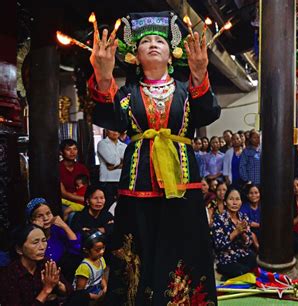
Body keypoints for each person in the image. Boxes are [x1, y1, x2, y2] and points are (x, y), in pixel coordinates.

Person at [87, 11, 219, 304]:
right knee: (138, 248)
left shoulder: (186, 90)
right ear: (135, 55)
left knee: (182, 245)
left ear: (172, 54)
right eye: (145, 41)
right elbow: (109, 118)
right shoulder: (127, 93)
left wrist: (200, 73)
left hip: (182, 183)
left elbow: (208, 112)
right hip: (138, 181)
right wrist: (103, 75)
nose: (153, 44)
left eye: (160, 39)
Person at [0, 224, 74, 306]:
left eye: (44, 240)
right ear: (19, 249)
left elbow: (70, 291)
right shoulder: (9, 274)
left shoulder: (46, 264)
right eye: (35, 242)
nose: (42, 247)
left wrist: (57, 284)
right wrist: (46, 290)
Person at [26, 198, 81, 278]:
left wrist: (64, 225)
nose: (46, 218)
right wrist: (37, 229)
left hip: (65, 273)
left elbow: (77, 247)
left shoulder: (56, 229)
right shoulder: (30, 237)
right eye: (40, 216)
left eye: (48, 213)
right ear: (32, 220)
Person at [211, 188, 258, 280]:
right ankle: (225, 277)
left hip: (241, 254)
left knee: (255, 261)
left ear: (241, 202)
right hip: (225, 258)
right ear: (225, 202)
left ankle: (230, 277)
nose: (234, 202)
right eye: (231, 199)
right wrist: (235, 232)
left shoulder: (243, 217)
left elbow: (248, 243)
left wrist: (243, 235)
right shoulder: (219, 219)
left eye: (237, 199)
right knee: (243, 271)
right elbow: (218, 245)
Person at [73, 229, 108, 302]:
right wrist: (94, 297)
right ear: (86, 250)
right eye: (97, 250)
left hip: (97, 289)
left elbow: (102, 276)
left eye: (103, 248)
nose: (102, 252)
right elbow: (80, 292)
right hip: (87, 294)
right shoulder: (85, 267)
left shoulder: (101, 259)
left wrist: (105, 287)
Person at [97, 129, 127, 209]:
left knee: (122, 206)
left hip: (120, 180)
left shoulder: (124, 146)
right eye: (112, 130)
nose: (115, 132)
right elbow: (111, 161)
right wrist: (121, 162)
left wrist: (113, 166)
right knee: (108, 206)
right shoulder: (102, 144)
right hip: (107, 181)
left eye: (117, 130)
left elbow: (127, 162)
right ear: (106, 131)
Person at [59, 139, 90, 204]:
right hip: (65, 202)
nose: (72, 152)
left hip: (84, 200)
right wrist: (83, 199)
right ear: (61, 152)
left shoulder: (82, 168)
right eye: (68, 149)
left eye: (75, 149)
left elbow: (89, 187)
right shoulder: (58, 168)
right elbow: (63, 193)